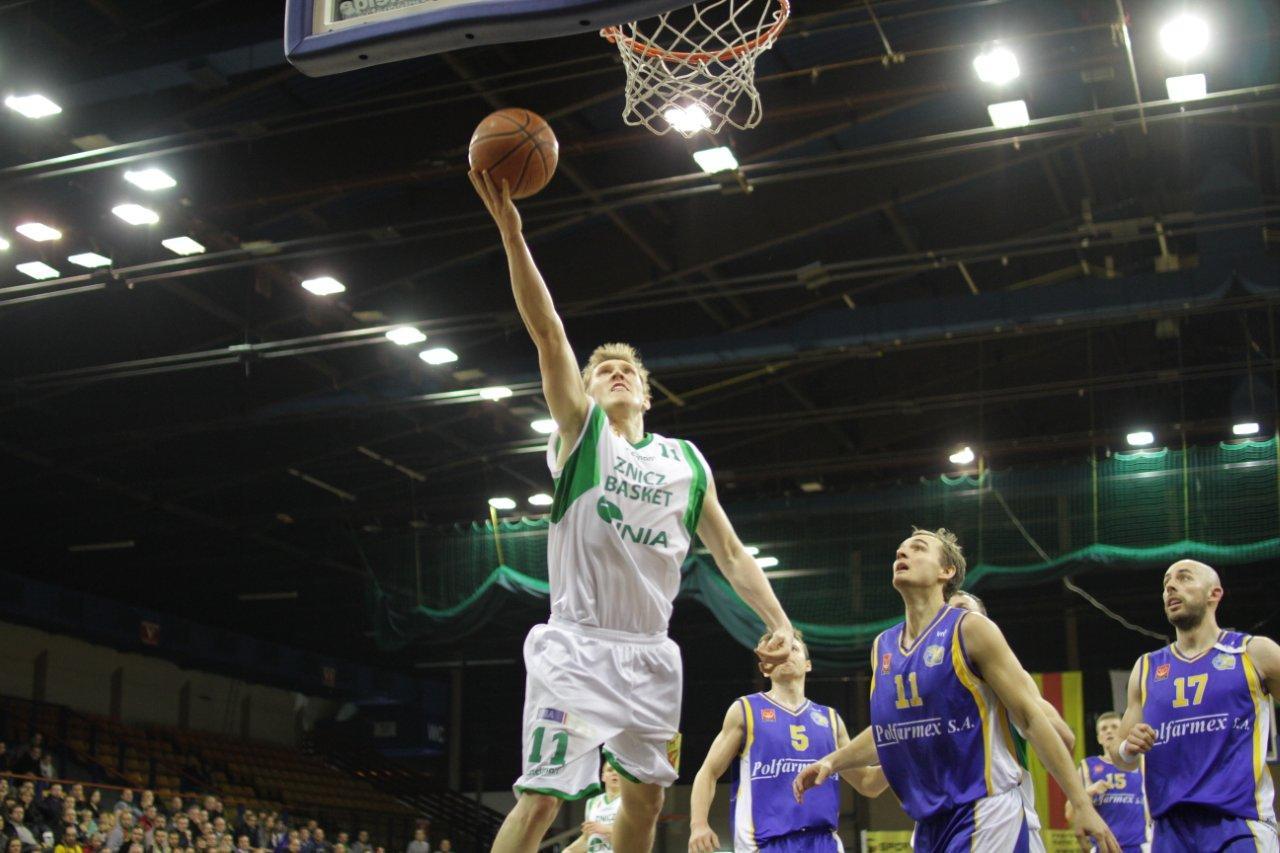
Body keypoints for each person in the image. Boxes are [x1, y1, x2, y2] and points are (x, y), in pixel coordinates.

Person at [472, 169, 796, 853]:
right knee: (540, 799)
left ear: (647, 395)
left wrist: (780, 622)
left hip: (651, 651)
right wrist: (512, 234)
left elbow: (731, 553)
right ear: (586, 392)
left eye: (629, 372)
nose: (616, 373)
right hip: (578, 644)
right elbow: (548, 332)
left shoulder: (686, 461)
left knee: (647, 801)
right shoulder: (583, 435)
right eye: (603, 371)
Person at [793, 528, 1118, 852]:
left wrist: (1081, 803)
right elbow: (888, 732)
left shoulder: (971, 628)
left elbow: (1033, 719)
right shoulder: (883, 646)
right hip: (930, 822)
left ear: (946, 571)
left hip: (987, 808)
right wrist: (832, 762)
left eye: (918, 548)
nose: (902, 553)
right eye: (900, 549)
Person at [1108, 559, 1279, 851]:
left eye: (1184, 578)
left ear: (1215, 594)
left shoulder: (1252, 652)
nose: (1171, 587)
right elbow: (1120, 756)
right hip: (1169, 831)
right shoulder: (1147, 667)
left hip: (1239, 824)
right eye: (1166, 583)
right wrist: (1127, 747)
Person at [688, 633, 886, 853]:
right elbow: (708, 772)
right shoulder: (745, 710)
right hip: (764, 844)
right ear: (764, 668)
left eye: (793, 649)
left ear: (808, 664)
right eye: (775, 651)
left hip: (824, 843)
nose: (785, 655)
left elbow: (867, 783)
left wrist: (906, 756)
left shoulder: (830, 719)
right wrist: (698, 825)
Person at [947, 589, 1075, 853]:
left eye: (963, 611)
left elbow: (1065, 738)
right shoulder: (931, 689)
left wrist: (1015, 703)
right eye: (949, 614)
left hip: (1005, 822)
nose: (956, 621)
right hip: (947, 826)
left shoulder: (1006, 679)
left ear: (985, 625)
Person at [1065, 713, 1147, 853]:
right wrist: (1089, 791)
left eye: (1114, 727)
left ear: (1124, 733)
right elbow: (1070, 813)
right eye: (1104, 729)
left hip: (1138, 846)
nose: (1109, 731)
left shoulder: (1141, 763)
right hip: (1102, 847)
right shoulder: (1087, 766)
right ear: (1099, 738)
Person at [564, 764, 623, 853]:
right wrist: (569, 850)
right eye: (610, 770)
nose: (614, 773)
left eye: (619, 770)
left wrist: (606, 829)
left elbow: (637, 835)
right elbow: (587, 839)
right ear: (603, 777)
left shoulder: (630, 802)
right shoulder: (592, 802)